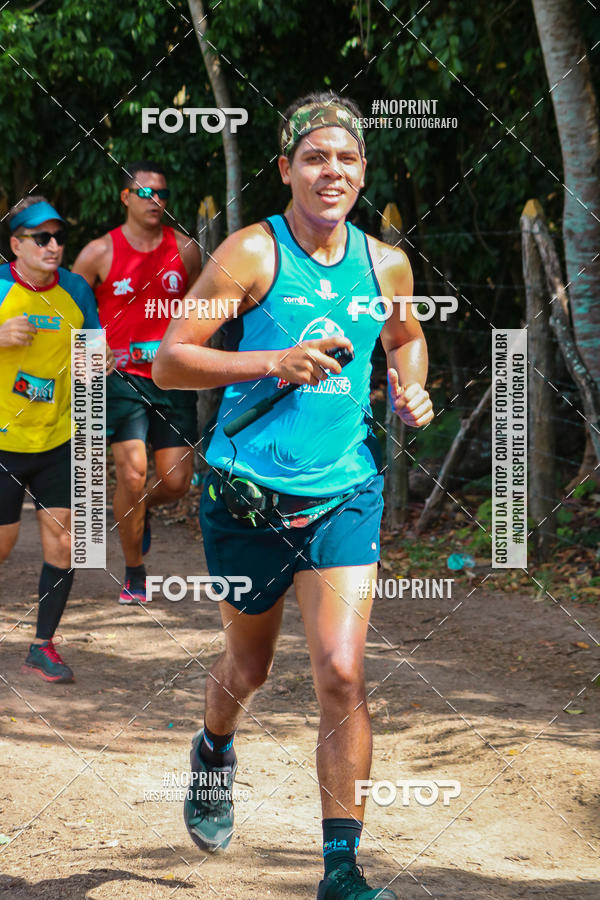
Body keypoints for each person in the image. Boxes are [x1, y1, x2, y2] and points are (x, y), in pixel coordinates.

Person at [153, 93, 434, 899]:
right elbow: (171, 359)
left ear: (363, 172)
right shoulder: (250, 254)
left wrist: (410, 388)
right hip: (247, 497)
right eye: (314, 157)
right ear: (286, 169)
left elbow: (408, 340)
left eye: (346, 159)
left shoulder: (386, 264)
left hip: (344, 491)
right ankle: (213, 750)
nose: (331, 171)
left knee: (342, 673)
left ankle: (340, 872)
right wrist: (273, 362)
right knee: (248, 666)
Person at [72, 161, 202, 604]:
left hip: (173, 378)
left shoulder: (185, 250)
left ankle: (138, 514)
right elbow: (68, 309)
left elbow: (201, 311)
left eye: (162, 194)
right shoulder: (97, 253)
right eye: (145, 193)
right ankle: (135, 573)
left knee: (177, 482)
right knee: (131, 473)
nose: (156, 201)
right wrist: (88, 353)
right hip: (120, 379)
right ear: (125, 197)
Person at [0, 196, 110, 683]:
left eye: (59, 237)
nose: (53, 246)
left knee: (65, 545)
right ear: (15, 245)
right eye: (41, 238)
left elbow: (91, 353)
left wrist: (98, 362)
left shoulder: (77, 290)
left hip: (61, 440)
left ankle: (41, 647)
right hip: (3, 441)